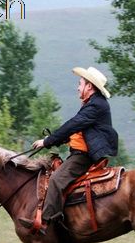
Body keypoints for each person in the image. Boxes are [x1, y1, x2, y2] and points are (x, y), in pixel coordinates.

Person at [19, 66, 118, 233]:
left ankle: (47, 221)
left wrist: (47, 141)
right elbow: (78, 129)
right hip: (81, 153)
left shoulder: (95, 105)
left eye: (80, 83)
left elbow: (74, 124)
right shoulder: (92, 103)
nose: (77, 87)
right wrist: (58, 139)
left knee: (56, 179)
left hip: (84, 156)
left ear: (89, 87)